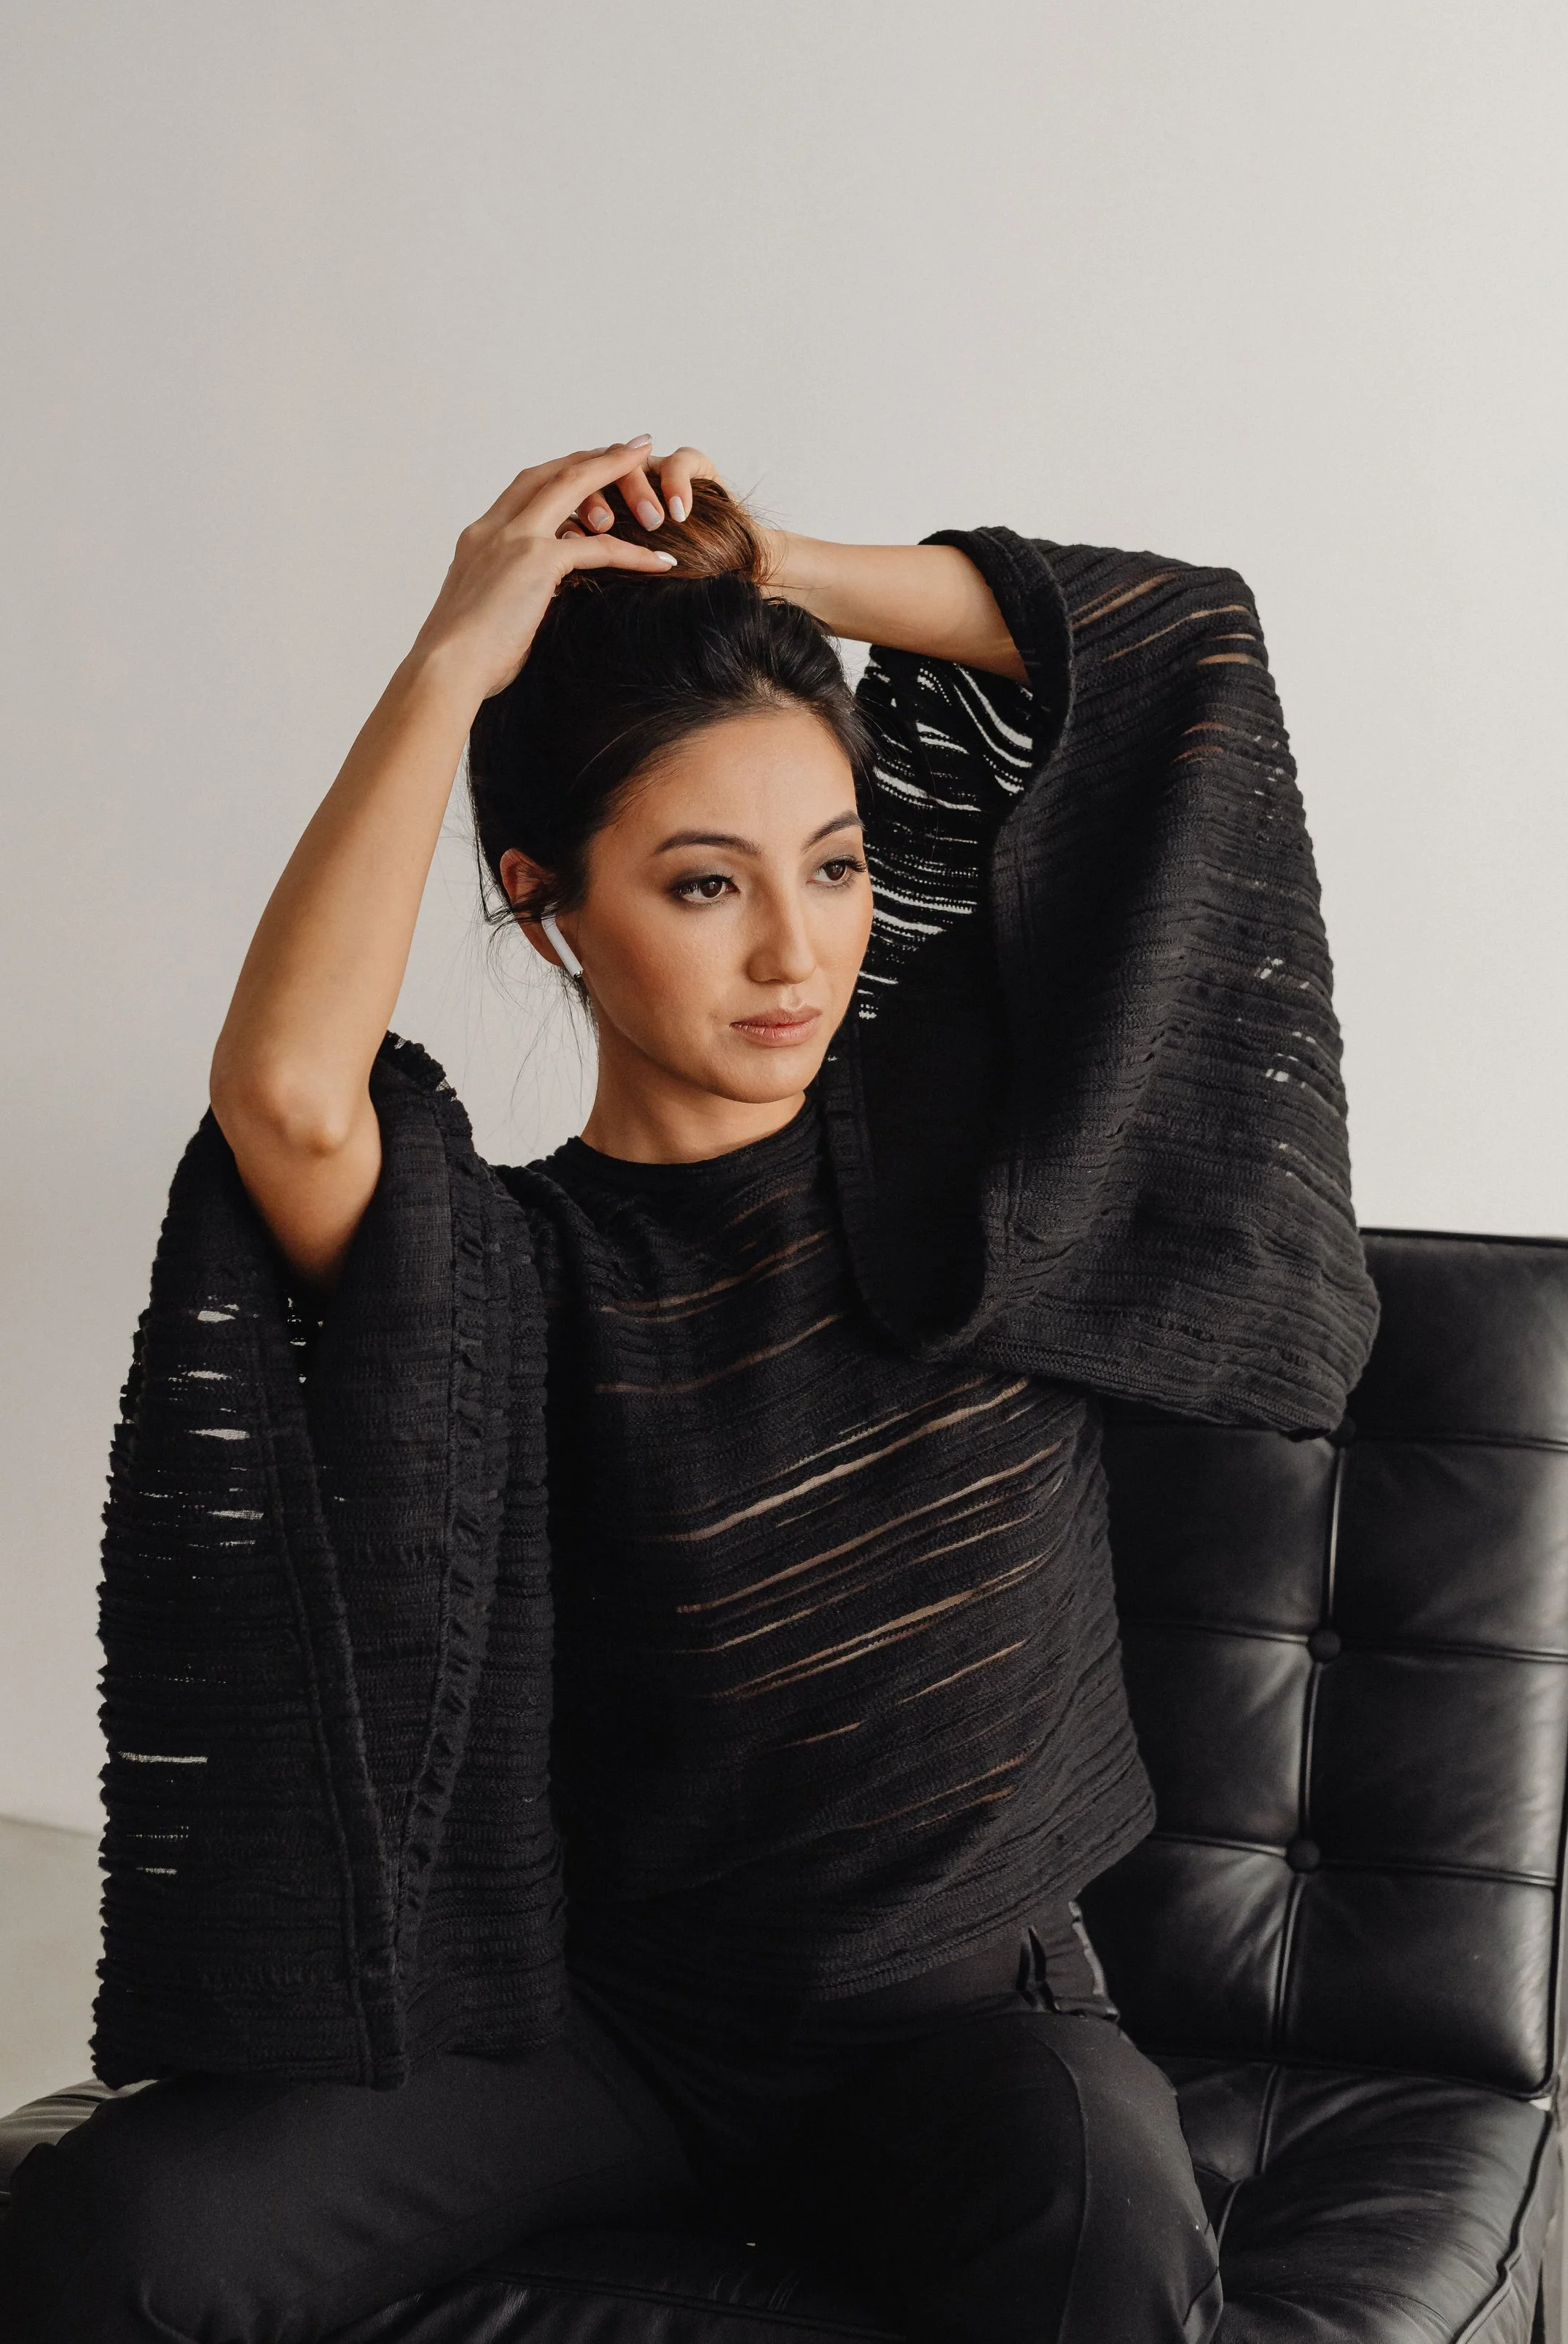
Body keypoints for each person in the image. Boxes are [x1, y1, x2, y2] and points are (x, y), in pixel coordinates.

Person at [0, 441, 1376, 2341]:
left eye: (831, 866)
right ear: (547, 902)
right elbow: (293, 1100)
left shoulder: (992, 1179)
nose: (794, 948)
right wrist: (450, 660)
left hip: (957, 2011)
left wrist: (783, 568)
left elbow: (1178, 645)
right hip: (605, 2019)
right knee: (113, 2238)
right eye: (704, 882)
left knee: (1105, 2242)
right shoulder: (511, 1269)